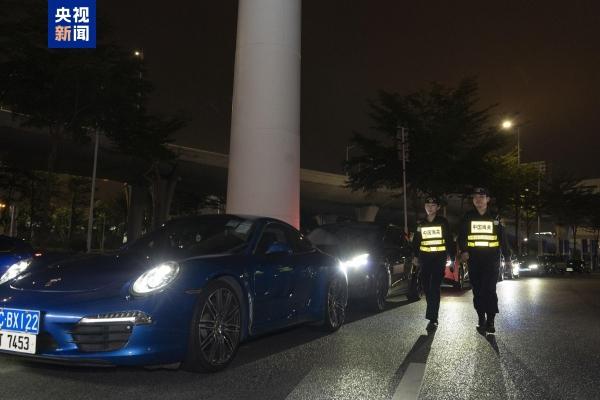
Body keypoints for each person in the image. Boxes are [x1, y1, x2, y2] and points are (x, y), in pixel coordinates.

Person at [458, 187, 510, 334]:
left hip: (491, 261)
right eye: (475, 197)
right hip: (474, 260)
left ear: (488, 199)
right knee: (478, 290)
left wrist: (507, 258)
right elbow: (462, 236)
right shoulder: (468, 217)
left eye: (482, 197)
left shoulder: (495, 217)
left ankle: (491, 320)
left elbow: (503, 239)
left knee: (490, 290)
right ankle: (481, 318)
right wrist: (464, 251)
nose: (478, 200)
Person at [412, 195, 455, 331]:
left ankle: (433, 319)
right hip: (424, 260)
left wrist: (452, 258)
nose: (430, 208)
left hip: (438, 260)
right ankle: (432, 313)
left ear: (438, 207)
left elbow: (449, 240)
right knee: (426, 287)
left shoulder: (443, 222)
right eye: (427, 205)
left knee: (434, 287)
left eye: (433, 206)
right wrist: (415, 256)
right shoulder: (420, 223)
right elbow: (416, 241)